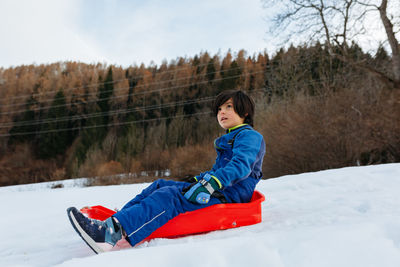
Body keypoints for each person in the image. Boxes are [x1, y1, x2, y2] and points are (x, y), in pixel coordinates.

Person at [67, 90, 266, 254]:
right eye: (219, 109)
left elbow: (241, 166)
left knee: (170, 196)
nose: (221, 112)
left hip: (230, 197)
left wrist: (211, 183)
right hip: (219, 190)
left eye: (228, 107)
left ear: (245, 112)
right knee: (160, 185)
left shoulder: (250, 136)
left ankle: (109, 235)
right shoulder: (231, 137)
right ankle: (116, 222)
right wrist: (197, 180)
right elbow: (219, 170)